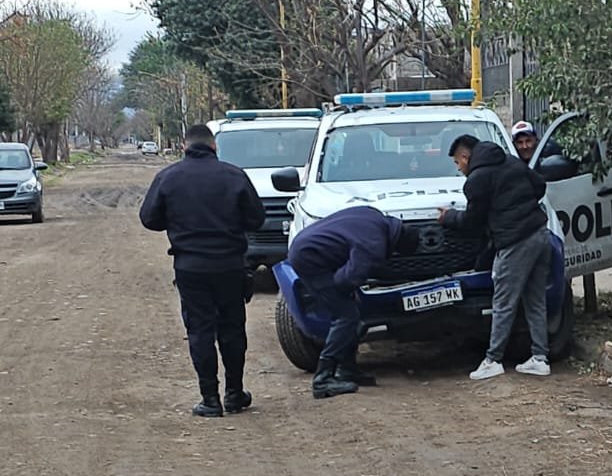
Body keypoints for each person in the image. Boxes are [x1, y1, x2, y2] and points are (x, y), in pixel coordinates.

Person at [140, 123, 266, 417]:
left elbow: (148, 218)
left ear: (184, 146)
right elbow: (256, 219)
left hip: (190, 266)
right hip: (231, 265)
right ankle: (234, 393)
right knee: (233, 329)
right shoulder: (234, 175)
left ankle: (210, 399)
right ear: (214, 147)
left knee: (200, 330)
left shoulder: (168, 177)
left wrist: (176, 221)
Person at [441, 134, 553, 380]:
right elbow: (539, 186)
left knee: (503, 302)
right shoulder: (511, 161)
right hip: (540, 234)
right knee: (535, 300)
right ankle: (540, 358)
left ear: (464, 156)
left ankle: (493, 359)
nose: (459, 169)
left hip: (515, 243)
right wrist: (520, 207)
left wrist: (448, 217)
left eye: (458, 164)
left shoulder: (477, 180)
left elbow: (472, 221)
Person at [287, 205, 420, 398]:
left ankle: (347, 369)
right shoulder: (374, 244)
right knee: (346, 316)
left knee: (352, 311)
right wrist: (343, 291)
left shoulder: (374, 215)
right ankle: (323, 379)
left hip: (307, 245)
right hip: (309, 258)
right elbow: (347, 279)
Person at [511, 121, 578, 181]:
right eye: (520, 142)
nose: (525, 146)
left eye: (528, 141)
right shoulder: (511, 162)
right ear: (514, 144)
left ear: (536, 140)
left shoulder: (548, 152)